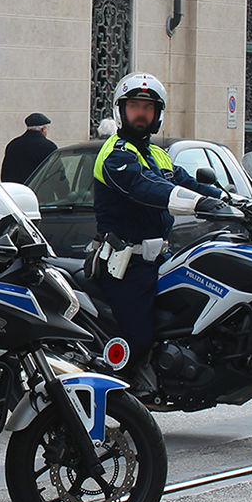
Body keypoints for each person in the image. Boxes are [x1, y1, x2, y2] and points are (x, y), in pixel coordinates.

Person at [90, 72, 232, 375]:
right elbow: (146, 187)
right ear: (121, 111)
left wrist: (230, 200)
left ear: (157, 115)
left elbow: (185, 182)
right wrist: (198, 204)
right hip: (126, 266)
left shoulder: (157, 154)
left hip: (160, 258)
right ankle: (121, 400)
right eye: (134, 107)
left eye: (148, 107)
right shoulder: (115, 154)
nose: (141, 113)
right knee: (137, 339)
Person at [0, 112, 57, 184]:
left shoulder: (13, 144)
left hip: (15, 191)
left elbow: (5, 173)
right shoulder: (49, 146)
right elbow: (57, 174)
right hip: (37, 191)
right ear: (44, 129)